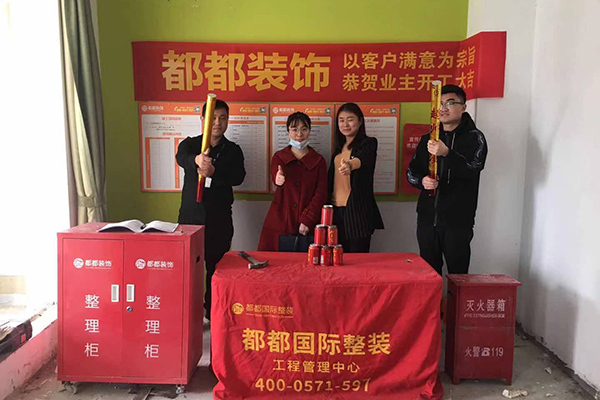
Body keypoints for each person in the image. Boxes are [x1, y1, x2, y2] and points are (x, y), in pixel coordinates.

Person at [407, 84, 488, 275]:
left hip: (458, 220)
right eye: (440, 103)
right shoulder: (428, 138)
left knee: (458, 275)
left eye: (450, 103)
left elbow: (474, 167)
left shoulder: (475, 138)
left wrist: (447, 153)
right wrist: (422, 181)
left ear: (463, 107)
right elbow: (411, 171)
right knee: (428, 273)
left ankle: (455, 298)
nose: (443, 108)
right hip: (427, 218)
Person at [176, 99, 245, 320]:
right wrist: (196, 160)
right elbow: (181, 157)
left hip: (219, 219)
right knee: (189, 271)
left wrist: (215, 172)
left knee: (217, 270)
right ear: (203, 120)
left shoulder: (232, 150)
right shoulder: (190, 144)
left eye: (223, 118)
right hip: (190, 219)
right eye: (213, 118)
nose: (218, 123)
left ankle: (213, 314)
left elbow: (239, 177)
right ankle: (189, 315)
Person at [258, 112, 327, 251]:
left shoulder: (319, 160)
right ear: (288, 131)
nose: (299, 134)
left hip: (309, 223)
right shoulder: (279, 157)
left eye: (304, 129)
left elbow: (321, 193)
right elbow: (275, 176)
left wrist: (307, 219)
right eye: (294, 129)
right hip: (281, 220)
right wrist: (278, 179)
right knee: (276, 260)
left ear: (309, 131)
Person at [328, 103, 384, 253]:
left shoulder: (369, 143)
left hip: (357, 212)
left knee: (358, 258)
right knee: (337, 256)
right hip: (335, 211)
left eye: (350, 119)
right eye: (341, 120)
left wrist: (350, 165)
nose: (345, 124)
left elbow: (363, 160)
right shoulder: (338, 150)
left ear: (360, 121)